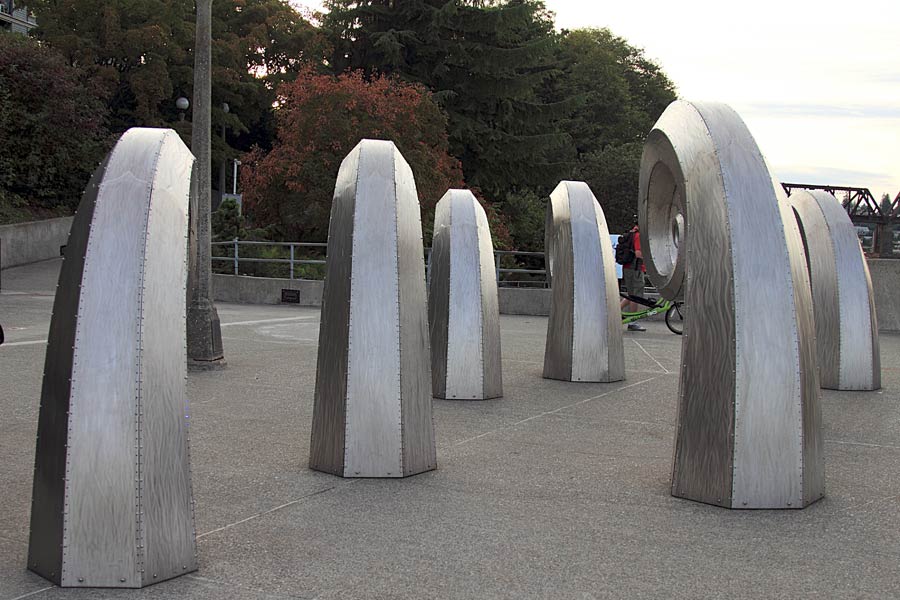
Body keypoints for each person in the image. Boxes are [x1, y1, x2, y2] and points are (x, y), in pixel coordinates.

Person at [620, 218, 646, 331]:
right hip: (635, 269)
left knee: (631, 295)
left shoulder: (631, 233)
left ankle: (613, 315)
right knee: (636, 297)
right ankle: (633, 322)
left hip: (628, 268)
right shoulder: (638, 236)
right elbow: (638, 253)